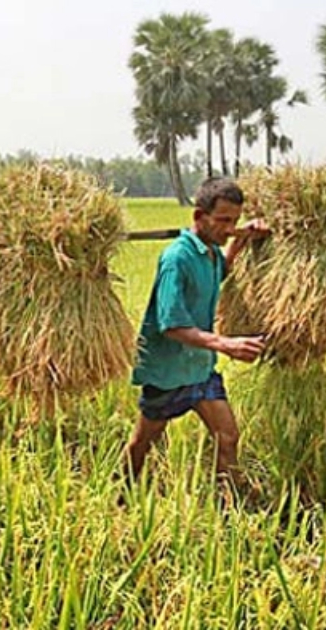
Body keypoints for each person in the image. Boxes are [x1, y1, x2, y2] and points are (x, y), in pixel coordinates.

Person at [121, 177, 270, 505]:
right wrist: (227, 344)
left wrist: (241, 241)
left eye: (235, 221)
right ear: (199, 217)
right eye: (223, 221)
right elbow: (171, 325)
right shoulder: (177, 259)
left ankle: (228, 505)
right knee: (143, 443)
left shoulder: (213, 253)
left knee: (227, 437)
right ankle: (121, 495)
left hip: (200, 369)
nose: (230, 228)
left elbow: (219, 276)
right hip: (168, 372)